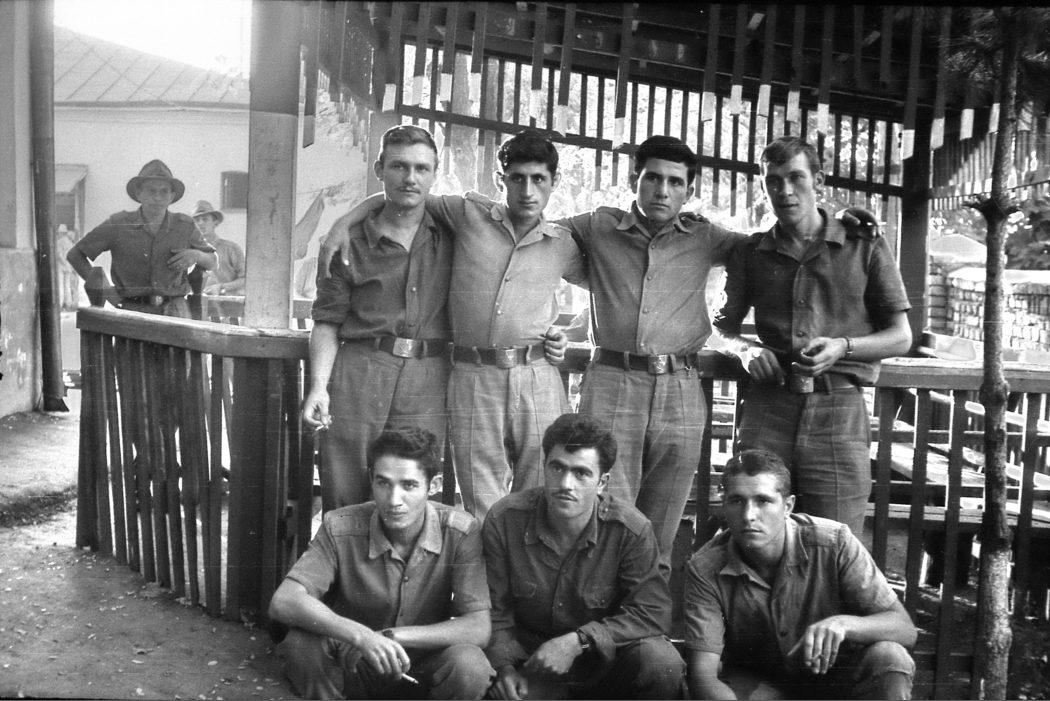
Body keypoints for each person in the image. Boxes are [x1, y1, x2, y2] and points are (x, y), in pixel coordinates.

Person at [320, 128, 584, 520]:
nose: (528, 191)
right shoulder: (468, 215)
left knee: (540, 487)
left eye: (538, 179)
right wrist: (344, 221)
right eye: (517, 178)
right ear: (501, 179)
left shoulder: (563, 241)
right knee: (480, 497)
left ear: (554, 181)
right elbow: (403, 194)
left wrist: (569, 332)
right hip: (467, 374)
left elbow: (610, 284)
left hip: (530, 374)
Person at [713, 135, 912, 536]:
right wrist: (744, 350)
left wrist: (844, 347)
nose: (784, 191)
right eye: (773, 181)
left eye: (796, 178)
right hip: (768, 407)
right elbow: (719, 328)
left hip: (839, 412)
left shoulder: (863, 245)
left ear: (818, 181)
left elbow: (901, 336)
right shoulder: (751, 252)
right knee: (753, 533)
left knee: (834, 539)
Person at [559, 135, 740, 566]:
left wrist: (843, 224)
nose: (662, 190)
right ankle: (596, 606)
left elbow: (766, 247)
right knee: (603, 514)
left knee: (662, 526)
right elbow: (536, 233)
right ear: (633, 180)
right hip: (612, 382)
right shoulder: (598, 226)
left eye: (675, 182)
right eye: (653, 178)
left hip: (681, 388)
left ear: (689, 191)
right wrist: (591, 277)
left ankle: (645, 606)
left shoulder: (704, 236)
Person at [268, 427, 494, 700]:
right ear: (371, 480)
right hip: (352, 660)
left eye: (408, 485)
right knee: (301, 646)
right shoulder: (341, 525)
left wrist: (390, 636)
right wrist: (360, 636)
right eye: (383, 483)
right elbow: (284, 600)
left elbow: (478, 627)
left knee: (470, 665)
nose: (394, 500)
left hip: (421, 665)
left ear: (433, 486)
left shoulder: (460, 531)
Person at [302, 125, 454, 510]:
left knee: (413, 491)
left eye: (422, 168)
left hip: (428, 378)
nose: (410, 178)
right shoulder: (347, 243)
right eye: (399, 166)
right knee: (346, 487)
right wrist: (319, 387)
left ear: (434, 174)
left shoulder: (452, 234)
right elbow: (326, 322)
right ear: (379, 169)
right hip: (360, 373)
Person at [482, 413, 685, 699]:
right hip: (528, 665)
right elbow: (494, 609)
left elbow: (652, 612)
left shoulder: (630, 530)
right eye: (557, 468)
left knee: (661, 662)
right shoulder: (505, 520)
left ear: (602, 482)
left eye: (581, 473)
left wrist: (579, 641)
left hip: (601, 665)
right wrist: (504, 668)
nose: (566, 483)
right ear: (545, 467)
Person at [684, 449, 916, 699]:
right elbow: (703, 676)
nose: (749, 515)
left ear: (788, 506)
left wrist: (843, 624)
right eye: (737, 501)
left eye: (763, 501)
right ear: (724, 505)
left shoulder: (834, 543)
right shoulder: (705, 568)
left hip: (836, 680)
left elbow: (905, 628)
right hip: (760, 685)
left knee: (890, 657)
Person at [65, 159, 217, 317]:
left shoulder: (185, 225)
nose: (157, 197)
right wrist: (106, 291)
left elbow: (213, 260)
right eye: (151, 191)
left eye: (164, 191)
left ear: (172, 196)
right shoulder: (119, 224)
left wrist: (196, 255)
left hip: (175, 312)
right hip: (132, 312)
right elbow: (75, 255)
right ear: (139, 194)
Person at [191, 200, 246, 296]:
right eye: (197, 220)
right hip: (197, 302)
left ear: (215, 222)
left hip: (227, 302)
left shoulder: (231, 249)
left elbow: (246, 279)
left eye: (205, 219)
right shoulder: (189, 251)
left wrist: (222, 287)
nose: (201, 223)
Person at [54, 224, 81, 310]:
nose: (58, 234)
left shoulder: (59, 242)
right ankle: (68, 303)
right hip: (68, 267)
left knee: (60, 286)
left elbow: (58, 255)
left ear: (61, 233)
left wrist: (63, 262)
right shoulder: (70, 243)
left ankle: (60, 304)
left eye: (59, 233)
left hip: (61, 266)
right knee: (67, 285)